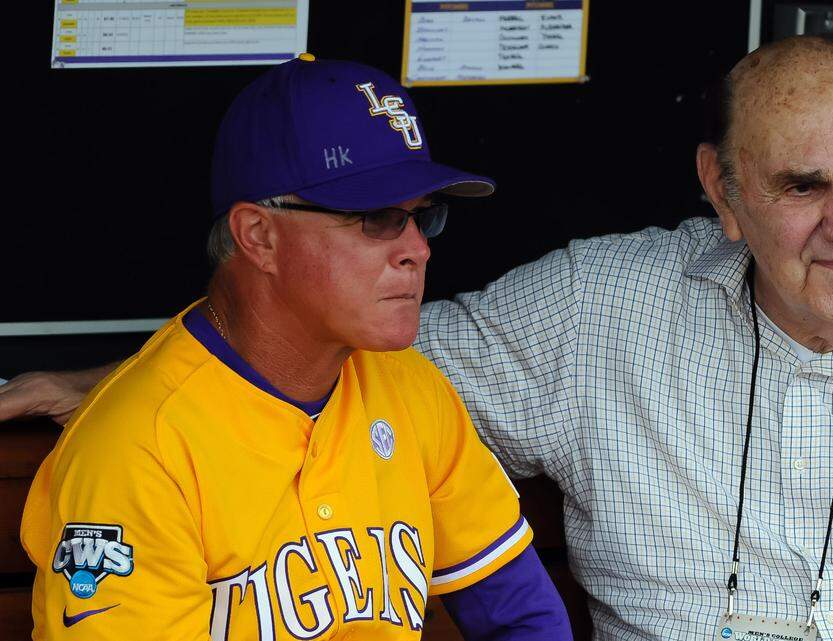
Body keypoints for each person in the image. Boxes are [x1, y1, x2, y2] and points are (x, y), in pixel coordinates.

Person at [4, 38, 833, 640]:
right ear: (721, 193)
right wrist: (125, 379)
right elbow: (280, 354)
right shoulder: (602, 310)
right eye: (802, 185)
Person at [17, 55, 571, 640]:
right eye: (377, 217)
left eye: (422, 218)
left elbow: (523, 618)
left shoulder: (412, 391)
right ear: (259, 235)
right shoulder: (139, 446)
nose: (416, 248)